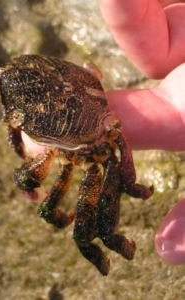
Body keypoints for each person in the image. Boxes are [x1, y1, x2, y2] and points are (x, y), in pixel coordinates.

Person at [22, 0, 185, 264]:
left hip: (89, 133)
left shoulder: (99, 144)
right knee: (84, 222)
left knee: (85, 227)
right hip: (80, 127)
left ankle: (111, 247)